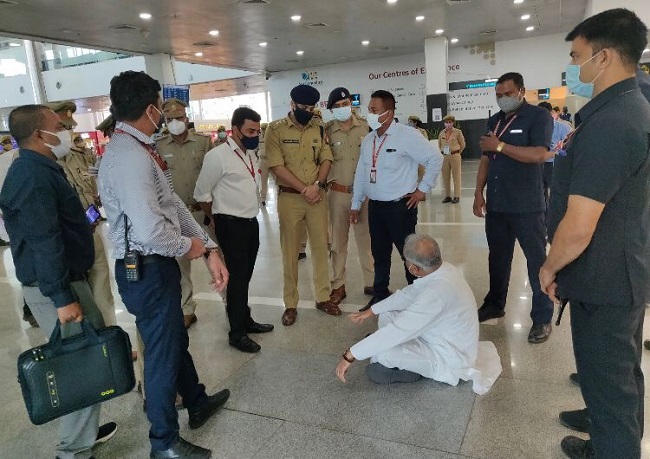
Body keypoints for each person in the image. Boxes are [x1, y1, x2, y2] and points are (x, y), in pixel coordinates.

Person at [97, 70, 230, 459]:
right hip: (147, 268)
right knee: (160, 353)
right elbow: (154, 231)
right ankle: (164, 444)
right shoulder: (129, 159)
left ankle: (197, 401)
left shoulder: (141, 150)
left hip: (156, 266)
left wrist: (208, 246)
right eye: (162, 109)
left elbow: (171, 206)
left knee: (172, 340)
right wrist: (193, 247)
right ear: (152, 109)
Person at [540, 9, 650, 458]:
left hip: (605, 276)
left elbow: (581, 222)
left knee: (611, 376)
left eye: (577, 56)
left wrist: (548, 267)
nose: (573, 68)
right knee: (619, 370)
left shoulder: (612, 123)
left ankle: (611, 447)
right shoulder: (625, 107)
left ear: (602, 58)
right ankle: (603, 420)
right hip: (616, 268)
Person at [0, 104, 117, 459]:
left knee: (83, 357)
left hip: (63, 278)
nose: (65, 130)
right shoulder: (32, 176)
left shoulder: (38, 168)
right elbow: (44, 240)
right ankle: (73, 451)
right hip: (57, 285)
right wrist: (63, 296)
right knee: (80, 364)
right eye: (58, 125)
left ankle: (84, 433)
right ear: (39, 134)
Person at [335, 234, 501, 392]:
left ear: (414, 268)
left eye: (405, 261)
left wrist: (350, 355)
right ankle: (382, 346)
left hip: (447, 356)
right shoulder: (443, 269)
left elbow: (399, 329)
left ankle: (414, 371)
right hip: (437, 335)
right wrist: (372, 311)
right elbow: (410, 294)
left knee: (381, 359)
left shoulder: (436, 293)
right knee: (388, 312)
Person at [474, 72, 554, 344]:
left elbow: (539, 154)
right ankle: (494, 303)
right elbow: (486, 159)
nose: (502, 99)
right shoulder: (494, 120)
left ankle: (542, 318)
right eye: (498, 95)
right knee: (497, 258)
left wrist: (501, 145)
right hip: (497, 205)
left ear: (521, 91)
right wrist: (477, 194)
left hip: (527, 206)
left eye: (507, 94)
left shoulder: (537, 117)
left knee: (536, 262)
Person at [351, 90, 442, 312]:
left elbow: (434, 159)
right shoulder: (369, 139)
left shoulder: (407, 135)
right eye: (369, 110)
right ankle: (380, 294)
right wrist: (356, 203)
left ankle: (416, 297)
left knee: (408, 255)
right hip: (376, 207)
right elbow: (362, 173)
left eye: (374, 110)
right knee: (380, 254)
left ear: (388, 113)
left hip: (400, 208)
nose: (369, 114)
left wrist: (422, 190)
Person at [194, 107, 274, 353]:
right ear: (235, 129)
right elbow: (201, 194)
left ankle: (245, 319)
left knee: (245, 276)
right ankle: (236, 333)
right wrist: (215, 217)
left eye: (257, 131)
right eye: (250, 130)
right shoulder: (217, 156)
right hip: (230, 224)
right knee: (236, 280)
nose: (254, 135)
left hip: (250, 222)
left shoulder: (251, 154)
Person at [265, 84, 336, 326]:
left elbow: (327, 158)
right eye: (303, 107)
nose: (308, 111)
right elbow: (276, 166)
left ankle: (323, 297)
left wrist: (318, 184)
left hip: (316, 197)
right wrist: (304, 189)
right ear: (292, 105)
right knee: (290, 253)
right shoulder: (275, 130)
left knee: (319, 248)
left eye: (311, 107)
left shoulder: (318, 126)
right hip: (290, 199)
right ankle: (291, 303)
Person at [47, 101, 117, 328]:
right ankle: (91, 345)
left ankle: (109, 335)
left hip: (92, 230)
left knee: (102, 288)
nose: (67, 134)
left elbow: (89, 187)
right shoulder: (44, 163)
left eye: (68, 128)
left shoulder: (78, 155)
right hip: (68, 238)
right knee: (79, 293)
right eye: (60, 128)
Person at [156, 98, 214, 329]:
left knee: (216, 259)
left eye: (178, 118)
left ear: (186, 118)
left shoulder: (203, 142)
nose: (175, 122)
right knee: (180, 268)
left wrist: (215, 212)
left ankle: (231, 304)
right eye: (169, 119)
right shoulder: (159, 146)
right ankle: (187, 309)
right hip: (176, 217)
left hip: (203, 212)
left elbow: (214, 177)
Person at [324, 87, 374, 305]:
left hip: (364, 195)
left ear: (351, 105)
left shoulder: (366, 126)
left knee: (367, 240)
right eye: (337, 106)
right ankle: (338, 285)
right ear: (332, 109)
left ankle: (371, 282)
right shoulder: (326, 131)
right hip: (338, 195)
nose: (343, 108)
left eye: (345, 104)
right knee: (338, 243)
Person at [537, 102, 571, 216]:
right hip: (539, 165)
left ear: (551, 113)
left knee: (556, 194)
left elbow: (569, 149)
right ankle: (544, 221)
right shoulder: (535, 129)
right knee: (540, 196)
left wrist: (557, 151)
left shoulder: (563, 128)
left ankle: (557, 219)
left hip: (554, 165)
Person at [437, 115, 466, 204]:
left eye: (450, 122)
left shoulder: (458, 132)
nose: (448, 124)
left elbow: (463, 144)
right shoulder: (441, 133)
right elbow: (439, 144)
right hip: (445, 157)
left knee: (456, 176)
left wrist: (457, 152)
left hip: (455, 155)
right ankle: (448, 196)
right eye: (446, 122)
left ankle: (457, 196)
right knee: (445, 177)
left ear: (453, 123)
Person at [258, 122, 270, 206]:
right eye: (262, 129)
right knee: (263, 181)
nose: (263, 130)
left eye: (265, 129)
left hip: (272, 160)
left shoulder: (272, 137)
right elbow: (255, 149)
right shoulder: (258, 138)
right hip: (262, 160)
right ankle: (263, 198)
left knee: (278, 179)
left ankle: (279, 195)